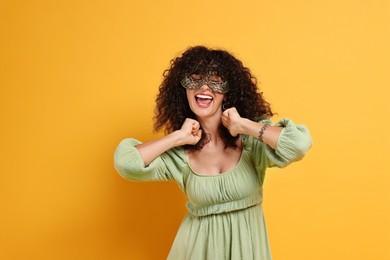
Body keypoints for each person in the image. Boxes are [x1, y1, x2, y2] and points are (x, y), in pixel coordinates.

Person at [114, 45, 312, 260]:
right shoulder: (180, 154)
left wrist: (244, 125)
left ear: (228, 92)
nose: (205, 87)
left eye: (216, 80)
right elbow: (126, 162)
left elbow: (298, 144)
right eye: (195, 79)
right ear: (184, 90)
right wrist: (178, 137)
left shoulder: (251, 142)